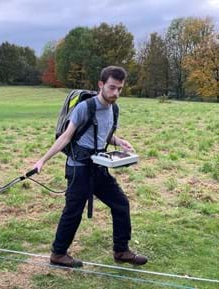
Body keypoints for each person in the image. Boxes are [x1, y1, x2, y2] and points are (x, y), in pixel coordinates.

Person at [32, 66, 148, 268]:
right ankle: (58, 254)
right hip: (79, 167)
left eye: (119, 89)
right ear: (101, 85)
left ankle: (121, 251)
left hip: (99, 166)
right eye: (112, 88)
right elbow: (66, 137)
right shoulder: (85, 108)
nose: (115, 93)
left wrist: (119, 142)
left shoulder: (114, 109)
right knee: (73, 210)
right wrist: (42, 160)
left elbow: (103, 133)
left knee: (121, 204)